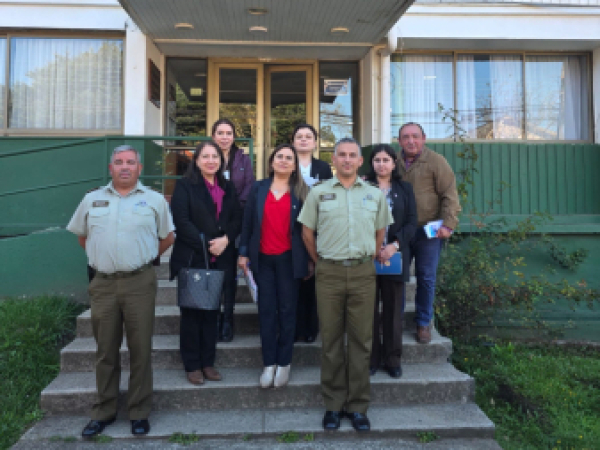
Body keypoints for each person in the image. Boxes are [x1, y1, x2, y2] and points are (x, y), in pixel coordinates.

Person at [67, 145, 175, 438]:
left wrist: (145, 256)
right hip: (103, 284)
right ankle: (104, 410)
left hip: (140, 282)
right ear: (110, 168)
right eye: (119, 162)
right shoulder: (92, 199)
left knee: (141, 349)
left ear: (139, 168)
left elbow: (167, 237)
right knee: (105, 350)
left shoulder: (154, 200)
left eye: (130, 162)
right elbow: (83, 238)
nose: (124, 166)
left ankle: (139, 411)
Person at [298, 137, 392, 433]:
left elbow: (380, 232)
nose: (347, 160)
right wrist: (322, 262)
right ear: (334, 160)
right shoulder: (318, 193)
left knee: (362, 341)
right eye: (342, 155)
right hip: (329, 273)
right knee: (332, 341)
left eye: (353, 155)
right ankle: (333, 405)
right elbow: (307, 233)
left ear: (360, 161)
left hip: (363, 273)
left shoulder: (374, 194)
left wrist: (368, 257)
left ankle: (358, 406)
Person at [169, 141, 242, 386]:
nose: (211, 161)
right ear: (197, 160)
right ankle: (192, 365)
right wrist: (207, 243)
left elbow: (236, 218)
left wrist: (226, 240)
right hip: (194, 257)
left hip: (221, 258)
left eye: (215, 157)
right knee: (192, 314)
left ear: (221, 161)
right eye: (205, 156)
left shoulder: (228, 186)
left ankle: (208, 363)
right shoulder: (185, 185)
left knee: (212, 312)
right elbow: (181, 220)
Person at [238, 144, 310, 389]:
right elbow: (248, 224)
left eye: (289, 158)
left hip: (290, 260)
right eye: (279, 156)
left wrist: (310, 259)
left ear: (295, 165)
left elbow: (309, 230)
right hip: (263, 260)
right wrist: (243, 252)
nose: (283, 160)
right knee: (266, 311)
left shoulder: (302, 191)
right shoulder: (258, 188)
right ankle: (269, 363)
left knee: (288, 311)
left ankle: (284, 362)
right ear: (271, 162)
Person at [397, 122, 461, 344]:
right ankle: (395, 321)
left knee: (425, 277)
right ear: (399, 141)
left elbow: (449, 194)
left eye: (415, 136)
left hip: (429, 230)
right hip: (401, 231)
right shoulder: (394, 162)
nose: (411, 141)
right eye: (406, 137)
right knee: (398, 276)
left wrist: (448, 223)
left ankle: (423, 322)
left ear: (423, 138)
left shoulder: (436, 161)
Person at [366, 144, 418, 378]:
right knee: (368, 311)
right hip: (368, 256)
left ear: (394, 163)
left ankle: (392, 359)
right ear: (372, 163)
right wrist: (373, 246)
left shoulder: (405, 189)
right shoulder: (363, 187)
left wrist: (393, 246)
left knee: (393, 310)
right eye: (377, 160)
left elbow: (411, 222)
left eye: (386, 160)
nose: (381, 164)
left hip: (394, 257)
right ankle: (371, 359)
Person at [211, 118, 255, 341]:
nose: (224, 137)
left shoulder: (243, 159)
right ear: (213, 136)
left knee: (229, 275)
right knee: (213, 273)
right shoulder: (207, 156)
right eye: (220, 133)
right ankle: (213, 317)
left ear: (234, 137)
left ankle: (228, 318)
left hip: (235, 223)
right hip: (210, 224)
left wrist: (233, 210)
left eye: (228, 133)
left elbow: (249, 186)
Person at [292, 123, 333, 343]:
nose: (304, 139)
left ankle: (311, 328)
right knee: (295, 282)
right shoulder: (287, 163)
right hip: (291, 228)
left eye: (308, 136)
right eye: (299, 136)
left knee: (313, 281)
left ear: (315, 143)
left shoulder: (323, 168)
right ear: (293, 141)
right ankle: (296, 327)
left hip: (317, 228)